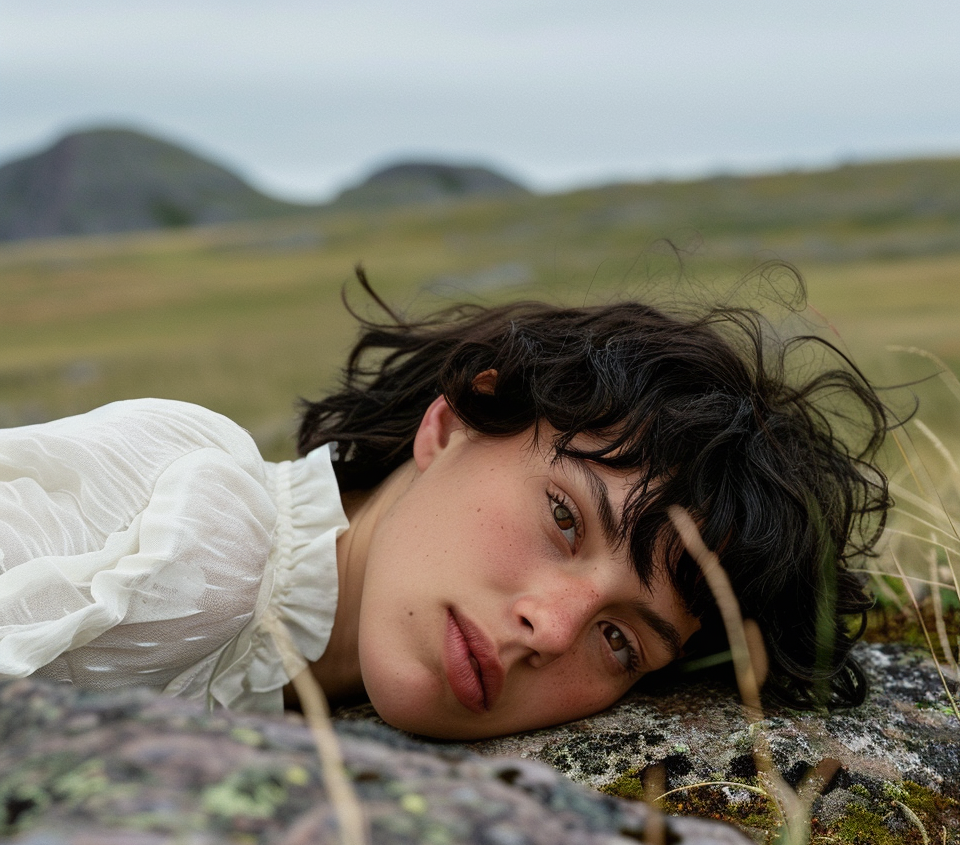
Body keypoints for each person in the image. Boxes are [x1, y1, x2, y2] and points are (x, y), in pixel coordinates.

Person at [0, 272, 890, 738]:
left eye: (622, 640)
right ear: (453, 421)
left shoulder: (288, 670)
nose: (550, 626)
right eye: (566, 518)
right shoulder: (200, 529)